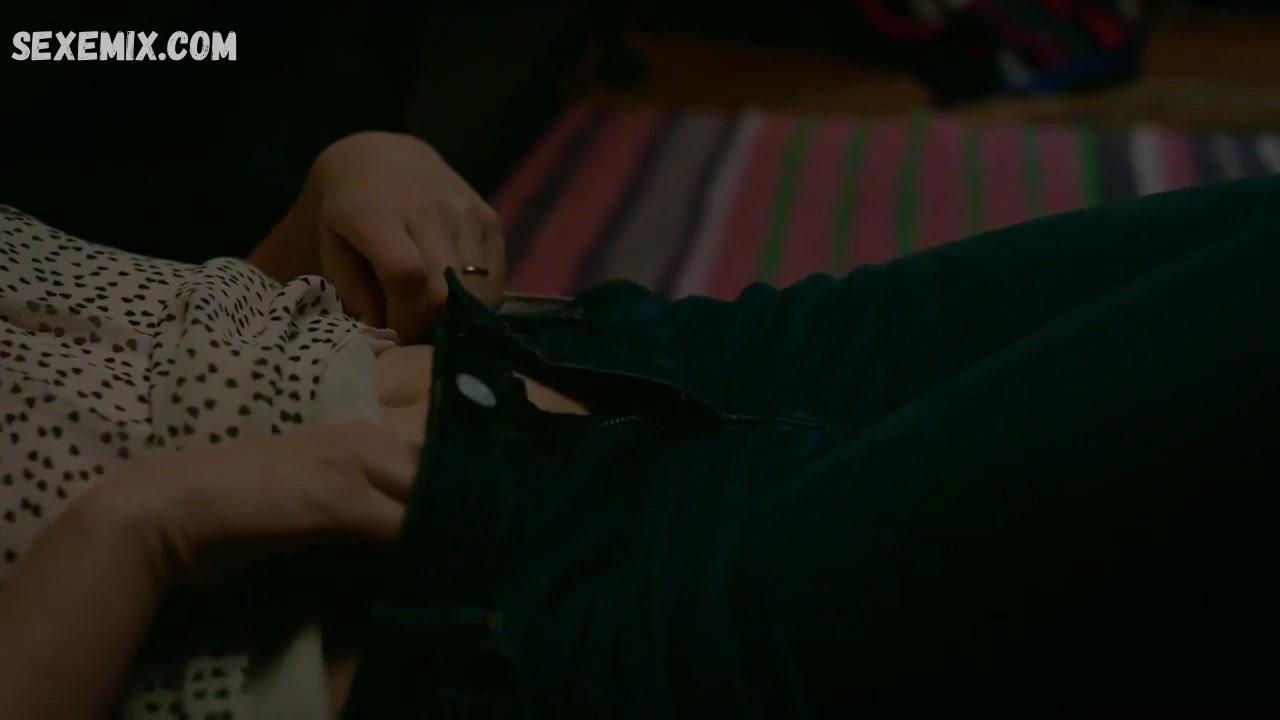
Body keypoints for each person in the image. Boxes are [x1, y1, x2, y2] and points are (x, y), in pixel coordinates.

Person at [1, 168, 1278, 719]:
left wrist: (336, 186)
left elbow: (131, 352)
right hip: (495, 631)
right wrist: (138, 530)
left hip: (618, 362)